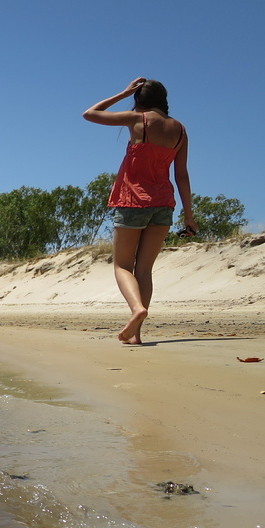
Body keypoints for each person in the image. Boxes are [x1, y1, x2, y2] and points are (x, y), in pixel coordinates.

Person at [84, 78, 196, 345]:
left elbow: (90, 113)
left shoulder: (138, 120)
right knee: (144, 270)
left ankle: (137, 310)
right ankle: (136, 334)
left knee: (123, 266)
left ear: (139, 99)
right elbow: (182, 176)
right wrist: (189, 216)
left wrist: (122, 93)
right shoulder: (180, 130)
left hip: (132, 201)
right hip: (164, 204)